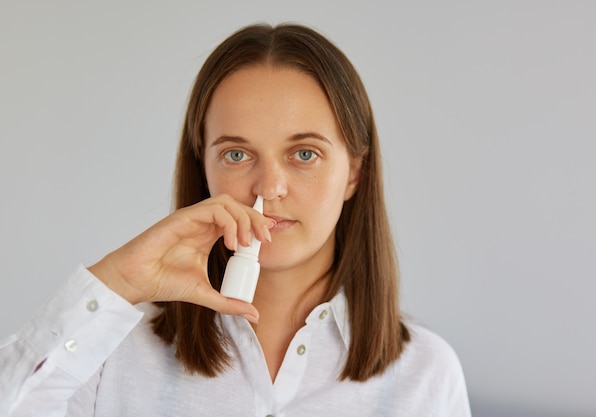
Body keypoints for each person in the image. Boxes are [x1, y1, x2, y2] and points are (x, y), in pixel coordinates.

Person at [0, 23, 471, 416]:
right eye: (237, 154)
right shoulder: (109, 352)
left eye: (304, 153)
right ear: (203, 168)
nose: (268, 188)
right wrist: (118, 282)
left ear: (354, 173)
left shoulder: (427, 375)